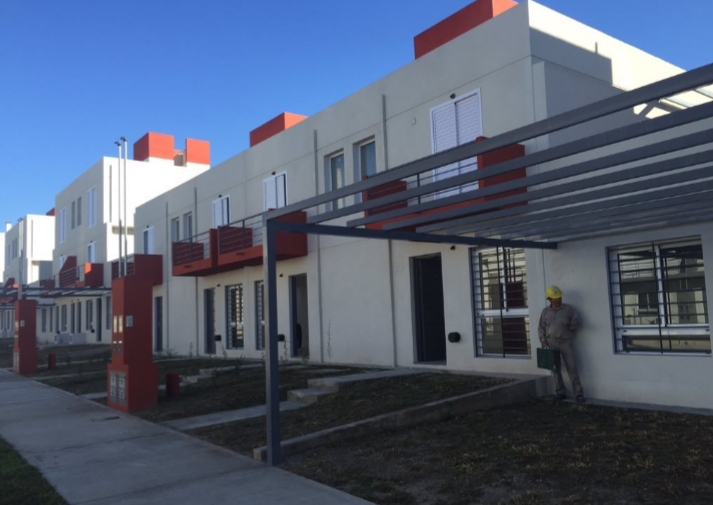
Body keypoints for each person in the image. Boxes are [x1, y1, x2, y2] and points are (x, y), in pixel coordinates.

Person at [538, 285, 584, 403]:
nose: (558, 300)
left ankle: (578, 393)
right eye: (555, 298)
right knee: (555, 369)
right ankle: (560, 392)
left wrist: (571, 324)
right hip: (551, 343)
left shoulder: (568, 309)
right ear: (549, 299)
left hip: (565, 342)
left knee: (572, 367)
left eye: (559, 297)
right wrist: (543, 340)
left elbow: (578, 322)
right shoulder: (545, 312)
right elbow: (541, 328)